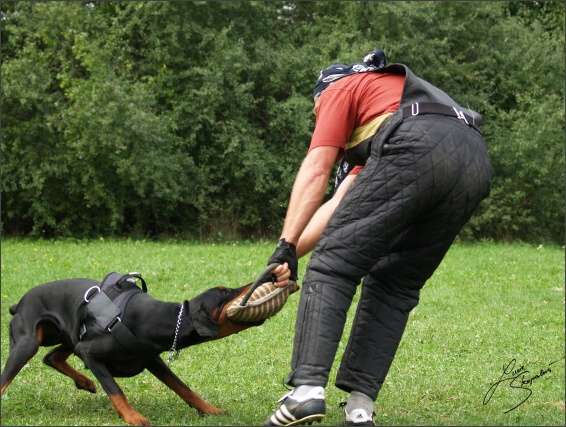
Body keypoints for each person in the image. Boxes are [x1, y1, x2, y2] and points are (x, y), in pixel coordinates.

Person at [263, 48, 493, 426]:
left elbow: (317, 168)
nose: (317, 118)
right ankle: (359, 411)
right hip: (475, 160)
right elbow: (338, 206)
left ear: (324, 93)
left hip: (420, 140)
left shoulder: (340, 88)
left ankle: (305, 392)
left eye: (315, 110)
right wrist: (284, 256)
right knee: (395, 282)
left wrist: (285, 246)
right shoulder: (383, 112)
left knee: (334, 264)